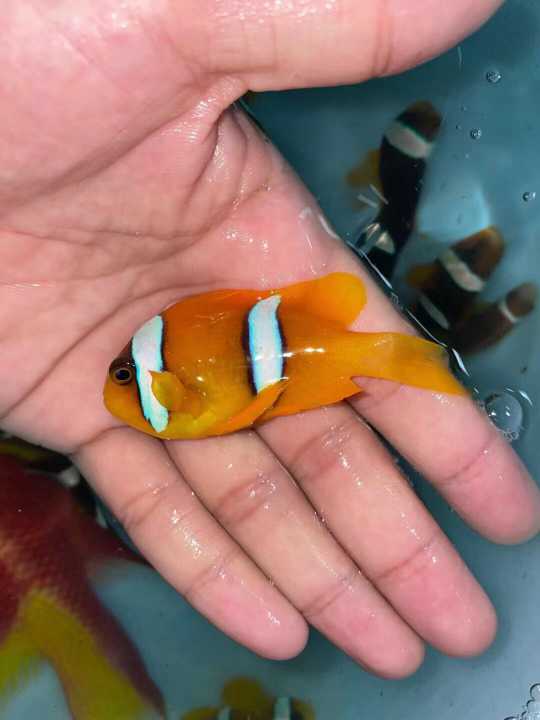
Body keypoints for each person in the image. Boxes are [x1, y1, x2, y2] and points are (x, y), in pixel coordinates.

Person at [2, 0, 537, 678]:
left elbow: (227, 385)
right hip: (286, 359)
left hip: (283, 358)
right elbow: (233, 373)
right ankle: (414, 359)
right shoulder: (168, 385)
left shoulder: (173, 400)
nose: (119, 388)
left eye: (127, 378)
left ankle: (412, 358)